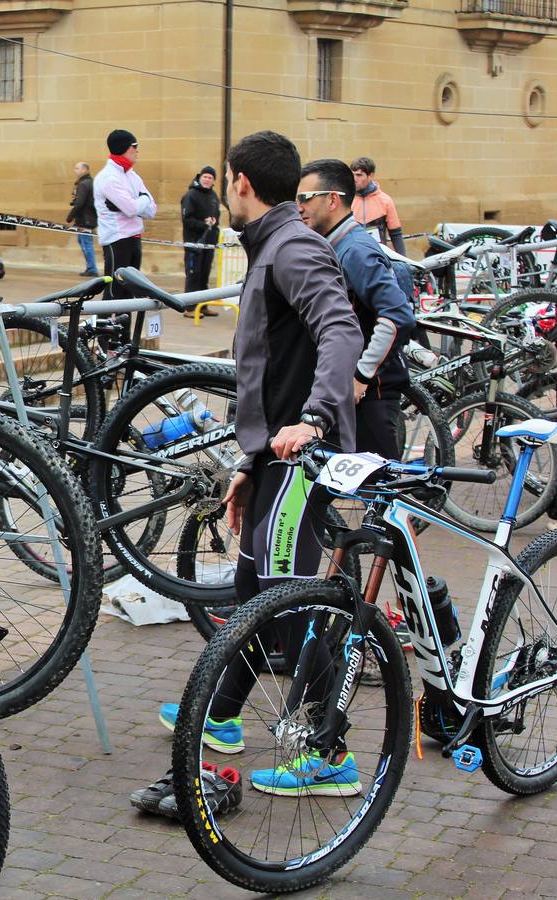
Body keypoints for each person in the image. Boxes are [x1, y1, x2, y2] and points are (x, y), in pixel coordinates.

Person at [139, 131, 362, 811]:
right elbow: (271, 371)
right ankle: (225, 716)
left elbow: (341, 329)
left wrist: (317, 419)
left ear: (238, 182)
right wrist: (250, 460)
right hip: (276, 458)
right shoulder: (272, 244)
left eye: (227, 183)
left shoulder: (291, 247)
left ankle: (329, 753)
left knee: (285, 603)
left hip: (305, 455)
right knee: (250, 583)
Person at [296, 158, 415, 462]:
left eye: (305, 198)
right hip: (348, 388)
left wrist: (361, 376)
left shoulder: (355, 250)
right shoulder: (334, 244)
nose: (299, 207)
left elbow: (398, 315)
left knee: (386, 489)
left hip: (370, 390)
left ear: (332, 199)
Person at [93, 129, 156, 298]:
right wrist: (141, 201)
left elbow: (152, 210)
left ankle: (125, 326)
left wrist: (138, 202)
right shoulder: (108, 177)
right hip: (117, 240)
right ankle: (103, 324)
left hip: (134, 238)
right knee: (114, 292)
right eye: (134, 146)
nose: (137, 150)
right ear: (124, 148)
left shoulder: (132, 175)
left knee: (129, 293)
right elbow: (132, 209)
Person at [180, 164, 221, 309]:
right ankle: (190, 308)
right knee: (194, 274)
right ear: (200, 177)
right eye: (205, 176)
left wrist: (214, 221)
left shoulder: (213, 196)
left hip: (209, 242)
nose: (207, 180)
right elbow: (187, 220)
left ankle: (202, 306)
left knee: (204, 274)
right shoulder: (191, 195)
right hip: (194, 242)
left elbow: (217, 214)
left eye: (210, 177)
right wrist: (204, 224)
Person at [349, 157, 406, 256]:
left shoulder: (385, 201)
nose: (354, 179)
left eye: (359, 175)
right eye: (352, 175)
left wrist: (405, 261)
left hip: (378, 256)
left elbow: (396, 234)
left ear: (371, 175)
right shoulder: (346, 200)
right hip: (353, 256)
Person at [67, 162, 98, 276]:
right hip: (87, 217)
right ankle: (90, 267)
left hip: (86, 218)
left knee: (86, 242)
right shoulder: (89, 182)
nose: (75, 170)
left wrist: (70, 216)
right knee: (83, 241)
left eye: (77, 168)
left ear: (84, 170)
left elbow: (79, 203)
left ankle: (92, 269)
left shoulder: (84, 184)